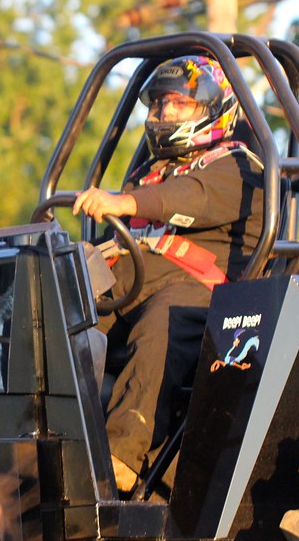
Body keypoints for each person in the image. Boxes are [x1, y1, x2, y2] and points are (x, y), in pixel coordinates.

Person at [72, 54, 265, 493]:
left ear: (212, 109)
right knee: (60, 311)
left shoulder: (240, 167)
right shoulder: (152, 170)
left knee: (164, 322)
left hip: (204, 295)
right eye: (159, 105)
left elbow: (189, 197)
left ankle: (120, 455)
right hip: (136, 282)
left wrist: (126, 203)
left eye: (179, 104)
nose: (165, 114)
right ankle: (31, 437)